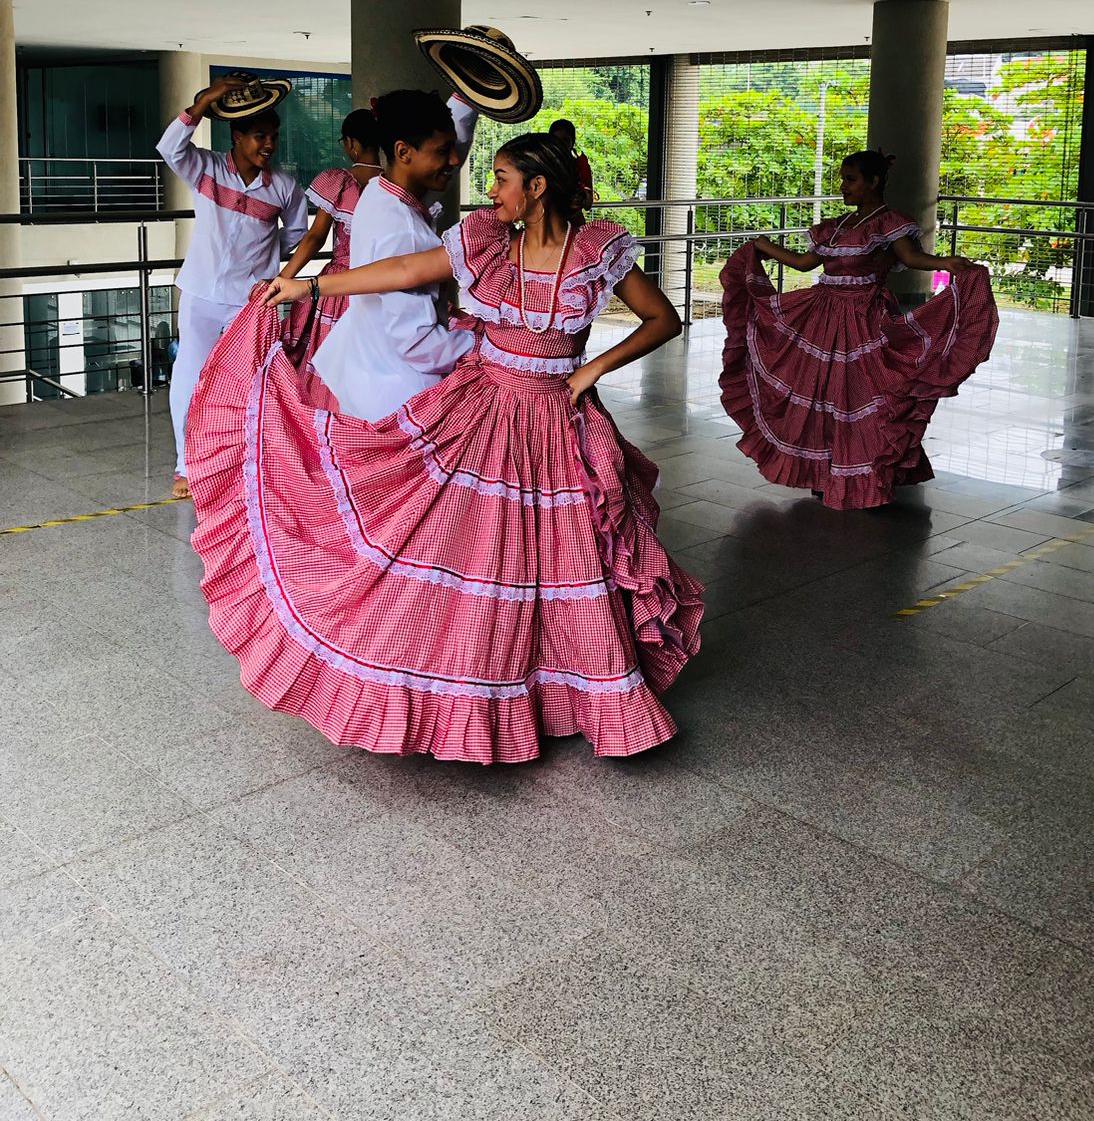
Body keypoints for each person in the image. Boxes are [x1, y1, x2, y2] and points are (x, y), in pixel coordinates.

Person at [184, 132, 704, 764]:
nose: (490, 188)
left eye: (503, 177)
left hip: (557, 419)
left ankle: (575, 693)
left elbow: (662, 319)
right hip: (480, 407)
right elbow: (407, 271)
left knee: (562, 558)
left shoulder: (597, 249)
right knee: (457, 544)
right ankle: (462, 685)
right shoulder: (485, 240)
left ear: (537, 188)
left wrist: (590, 372)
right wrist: (312, 288)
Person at [719, 148, 998, 510]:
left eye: (850, 179)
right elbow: (805, 263)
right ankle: (825, 472)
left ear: (874, 182)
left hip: (862, 319)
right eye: (842, 179)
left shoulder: (889, 222)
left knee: (859, 397)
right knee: (821, 397)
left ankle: (864, 472)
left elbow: (911, 258)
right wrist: (763, 247)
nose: (843, 186)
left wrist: (948, 262)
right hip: (820, 317)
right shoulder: (835, 227)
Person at [157, 75, 308, 501]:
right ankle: (186, 465)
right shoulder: (204, 168)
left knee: (252, 383)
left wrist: (260, 261)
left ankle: (246, 461)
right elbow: (170, 147)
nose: (269, 145)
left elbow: (296, 237)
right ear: (238, 135)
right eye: (260, 136)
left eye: (274, 137)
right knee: (189, 374)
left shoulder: (284, 187)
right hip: (201, 293)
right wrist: (204, 101)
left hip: (252, 302)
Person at [304, 90, 479, 420]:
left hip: (366, 372)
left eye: (453, 148)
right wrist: (490, 348)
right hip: (400, 392)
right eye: (444, 151)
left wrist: (467, 97)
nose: (455, 160)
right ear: (403, 151)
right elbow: (418, 344)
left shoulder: (379, 190)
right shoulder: (405, 231)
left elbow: (449, 144)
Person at [276, 108, 383, 374]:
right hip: (383, 280)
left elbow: (315, 238)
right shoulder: (393, 185)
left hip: (340, 284)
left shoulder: (341, 182)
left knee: (330, 362)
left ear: (351, 144)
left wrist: (284, 277)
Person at [548, 118, 595, 210]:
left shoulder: (581, 165)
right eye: (557, 140)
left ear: (572, 142)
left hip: (575, 220)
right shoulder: (542, 164)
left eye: (565, 140)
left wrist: (582, 197)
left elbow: (588, 205)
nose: (561, 144)